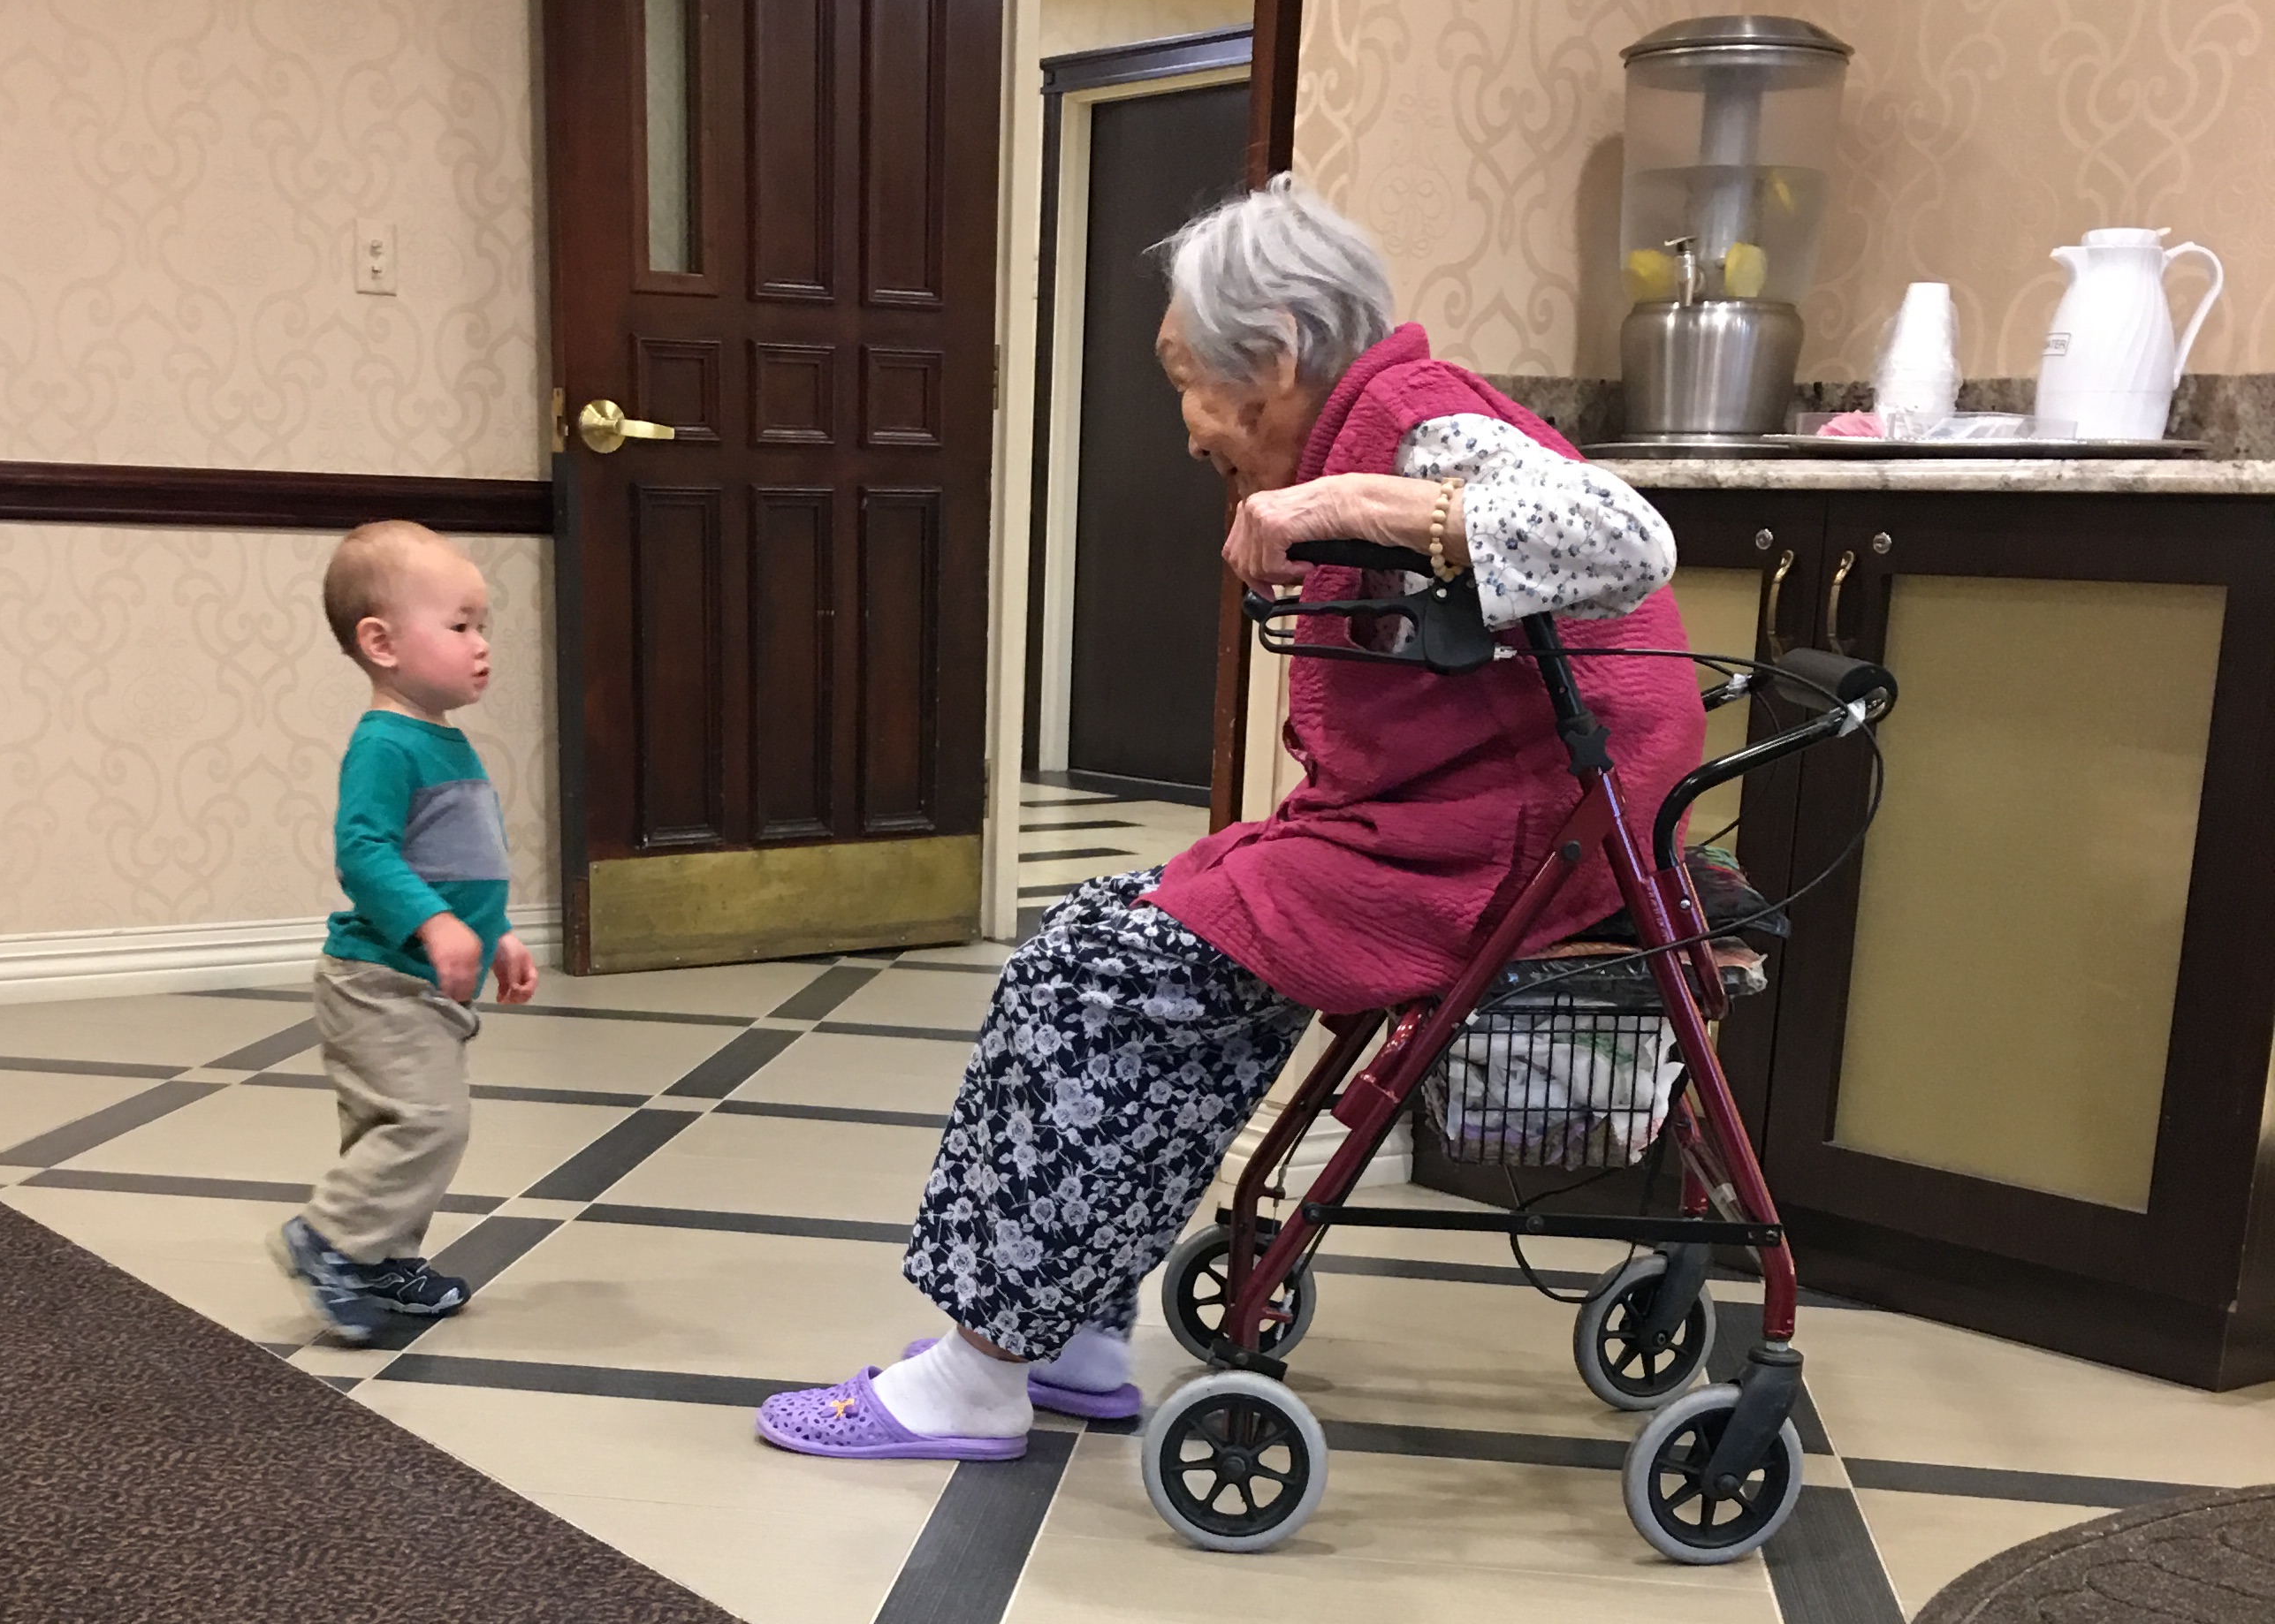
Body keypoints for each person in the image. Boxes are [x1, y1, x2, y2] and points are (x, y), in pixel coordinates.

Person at [756, 178, 1701, 1462]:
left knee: (1082, 981)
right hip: (1457, 831)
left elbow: (1629, 537)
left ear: (1280, 355)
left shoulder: (1420, 426)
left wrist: (1340, 506)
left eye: (1189, 381)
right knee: (1118, 943)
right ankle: (1074, 1338)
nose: (1190, 425)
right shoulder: (1389, 417)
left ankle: (977, 1380)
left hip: (1503, 852)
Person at [275, 520, 537, 1346]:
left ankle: (379, 1257)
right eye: (459, 625)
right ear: (381, 643)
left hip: (417, 983)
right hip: (378, 983)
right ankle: (328, 1239)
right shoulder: (386, 744)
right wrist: (432, 922)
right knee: (428, 1122)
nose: (481, 644)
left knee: (395, 1126)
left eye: (482, 625)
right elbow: (364, 852)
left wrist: (496, 933)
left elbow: (455, 863)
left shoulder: (442, 740)